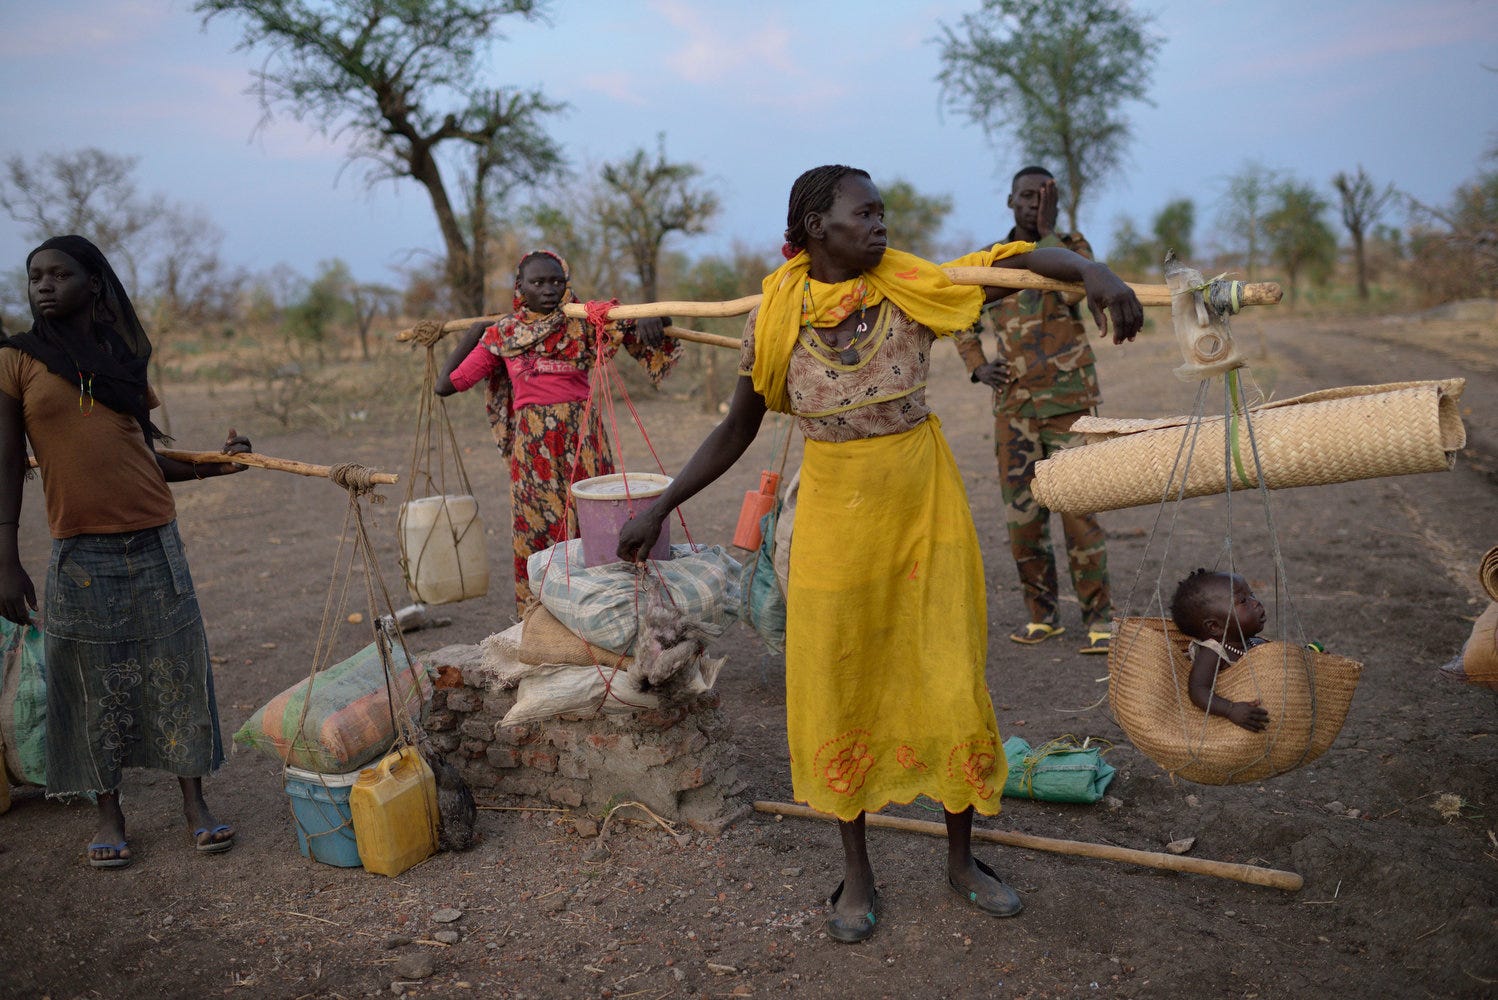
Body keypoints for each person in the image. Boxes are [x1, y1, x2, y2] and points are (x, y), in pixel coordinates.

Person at [617, 166, 1142, 942]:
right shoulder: (776, 315)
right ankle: (856, 873)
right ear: (817, 226)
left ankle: (963, 862)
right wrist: (662, 504)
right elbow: (736, 428)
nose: (881, 225)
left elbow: (1017, 263)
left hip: (921, 507)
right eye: (865, 215)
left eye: (883, 213)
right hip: (834, 512)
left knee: (948, 669)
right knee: (838, 677)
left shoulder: (912, 287)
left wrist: (1093, 270)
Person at [0, 234, 249, 868]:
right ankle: (109, 813)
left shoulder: (120, 358)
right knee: (91, 687)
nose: (44, 286)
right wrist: (5, 558)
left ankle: (194, 803)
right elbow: (5, 468)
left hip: (156, 541)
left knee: (177, 673)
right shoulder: (16, 361)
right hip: (80, 554)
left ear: (93, 284)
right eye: (35, 277)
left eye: (59, 274)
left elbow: (146, 458)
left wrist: (217, 468)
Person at [435, 251, 678, 613]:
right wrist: (474, 333)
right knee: (540, 534)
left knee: (597, 526)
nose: (549, 290)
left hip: (585, 443)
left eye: (556, 282)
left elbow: (648, 335)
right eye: (538, 283)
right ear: (520, 288)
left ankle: (604, 614)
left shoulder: (586, 321)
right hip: (534, 454)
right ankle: (543, 618)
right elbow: (447, 385)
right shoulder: (503, 335)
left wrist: (652, 316)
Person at [955, 166, 1116, 655]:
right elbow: (961, 312)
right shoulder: (990, 261)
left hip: (1069, 402)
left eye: (1043, 197)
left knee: (1079, 512)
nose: (1032, 204)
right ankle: (1042, 616)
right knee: (1022, 518)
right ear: (1009, 202)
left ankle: (1099, 620)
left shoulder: (1075, 251)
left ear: (1055, 205)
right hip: (1014, 407)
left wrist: (1049, 233)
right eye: (1025, 196)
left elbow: (1085, 291)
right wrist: (977, 365)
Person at [1169, 568, 1271, 732]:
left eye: (1252, 595)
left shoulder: (1256, 642)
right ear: (1215, 626)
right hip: (1232, 728)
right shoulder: (1213, 652)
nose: (1255, 602)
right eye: (1243, 601)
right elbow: (1198, 690)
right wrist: (1230, 710)